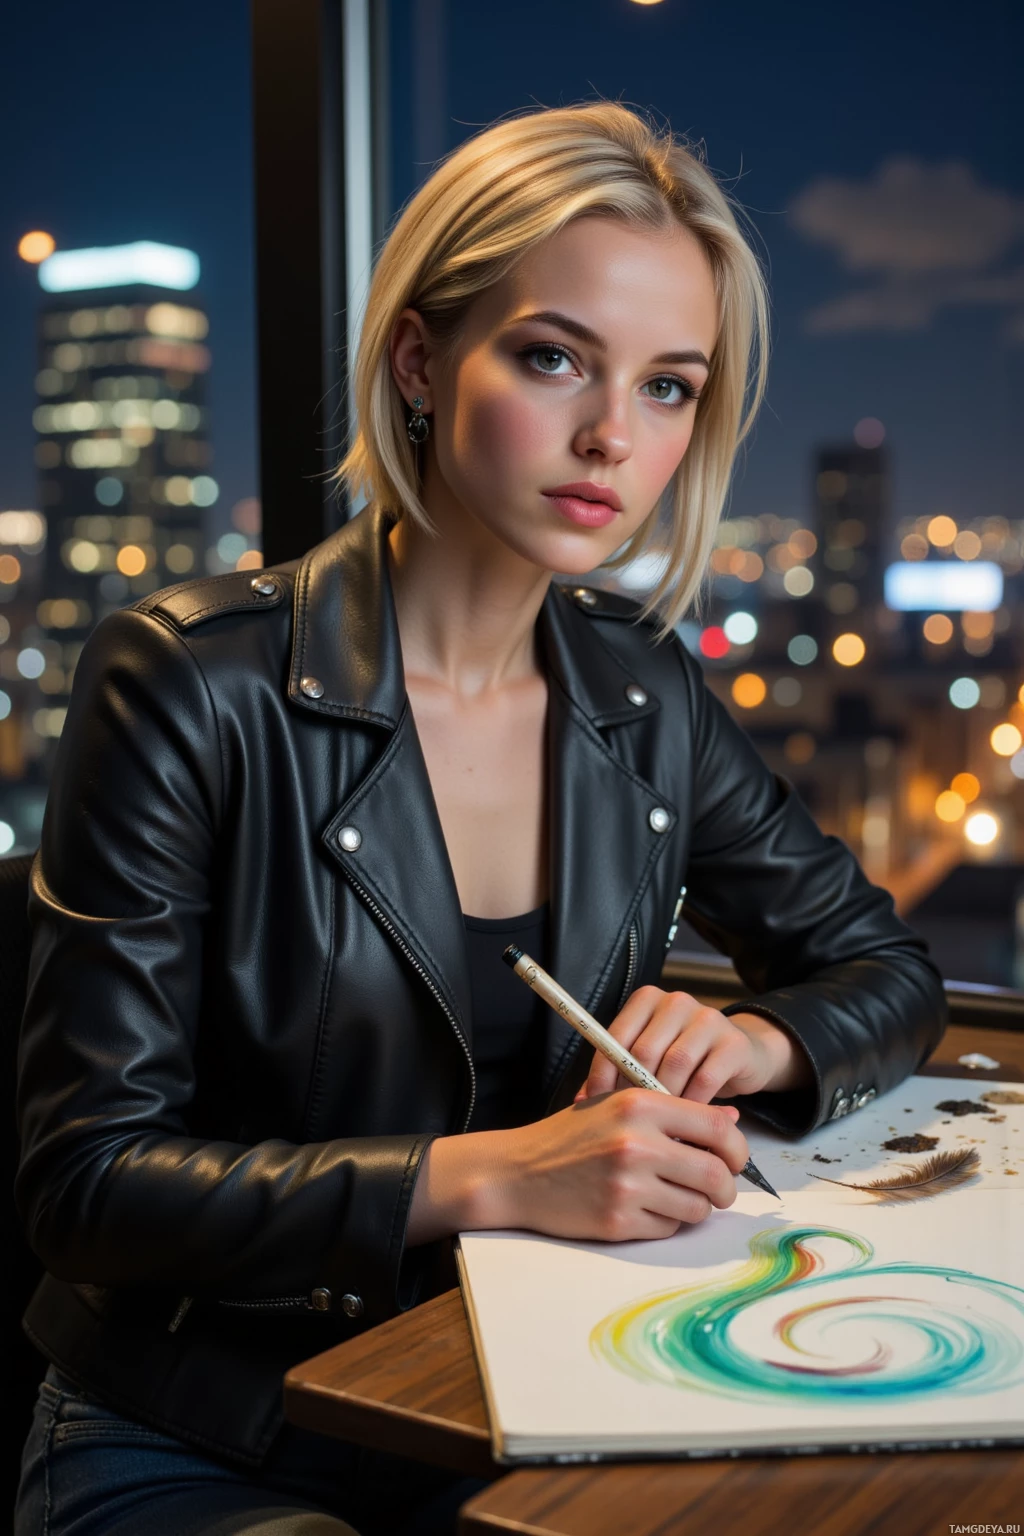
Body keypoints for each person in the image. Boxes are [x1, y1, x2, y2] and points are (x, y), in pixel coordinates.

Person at [15, 100, 946, 1535]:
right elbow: (87, 1182)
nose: (610, 435)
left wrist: (757, 1039)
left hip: (526, 1401)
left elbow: (888, 970)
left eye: (668, 386)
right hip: (208, 1430)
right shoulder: (191, 681)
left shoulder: (641, 691)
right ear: (420, 360)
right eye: (554, 356)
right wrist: (495, 1176)